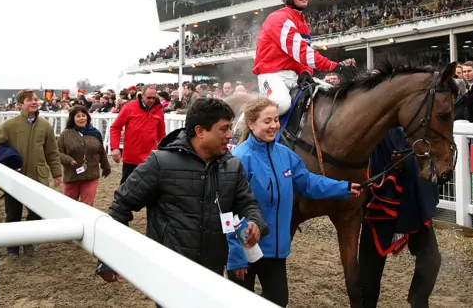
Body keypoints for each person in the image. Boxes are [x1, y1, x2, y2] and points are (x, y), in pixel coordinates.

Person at [97, 99, 268, 298]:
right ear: (200, 131)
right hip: (169, 272)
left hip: (213, 273)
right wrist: (108, 257)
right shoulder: (160, 163)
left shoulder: (232, 166)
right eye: (224, 129)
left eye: (230, 128)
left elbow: (248, 204)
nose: (230, 135)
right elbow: (121, 205)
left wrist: (255, 222)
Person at [226, 97, 361, 307]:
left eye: (276, 120)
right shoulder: (240, 158)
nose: (274, 126)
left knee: (279, 301)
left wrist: (343, 188)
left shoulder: (285, 154)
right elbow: (228, 211)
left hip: (276, 249)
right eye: (267, 121)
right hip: (246, 249)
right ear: (251, 124)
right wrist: (235, 254)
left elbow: (307, 182)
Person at [252, 0, 357, 115]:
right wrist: (336, 67)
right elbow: (303, 53)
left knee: (331, 94)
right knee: (282, 104)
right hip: (271, 75)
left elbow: (303, 59)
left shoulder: (303, 23)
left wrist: (305, 72)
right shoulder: (278, 18)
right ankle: (245, 123)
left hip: (293, 76)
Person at [360, 127, 441, 308]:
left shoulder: (422, 123)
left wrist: (411, 161)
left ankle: (418, 301)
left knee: (431, 259)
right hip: (380, 204)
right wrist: (389, 167)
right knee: (370, 268)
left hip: (414, 199)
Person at [0, 88, 63, 257]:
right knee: (13, 214)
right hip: (13, 178)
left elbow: (52, 152)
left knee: (38, 212)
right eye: (29, 100)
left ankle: (27, 241)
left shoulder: (45, 125)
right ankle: (12, 247)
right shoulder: (9, 125)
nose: (34, 102)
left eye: (35, 99)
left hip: (38, 177)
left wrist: (56, 173)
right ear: (20, 105)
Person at [109, 84, 166, 184]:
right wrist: (115, 148)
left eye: (154, 97)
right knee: (126, 188)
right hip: (131, 157)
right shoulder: (129, 107)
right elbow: (115, 127)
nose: (151, 100)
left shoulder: (159, 109)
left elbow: (161, 133)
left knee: (149, 188)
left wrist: (164, 151)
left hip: (150, 157)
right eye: (149, 97)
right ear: (142, 95)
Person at [57, 106, 111, 206]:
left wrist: (106, 166)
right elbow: (57, 152)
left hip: (91, 175)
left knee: (87, 206)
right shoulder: (65, 134)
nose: (81, 118)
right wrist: (68, 160)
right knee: (68, 205)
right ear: (72, 119)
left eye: (83, 115)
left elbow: (101, 151)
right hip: (72, 176)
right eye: (78, 116)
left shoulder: (95, 133)